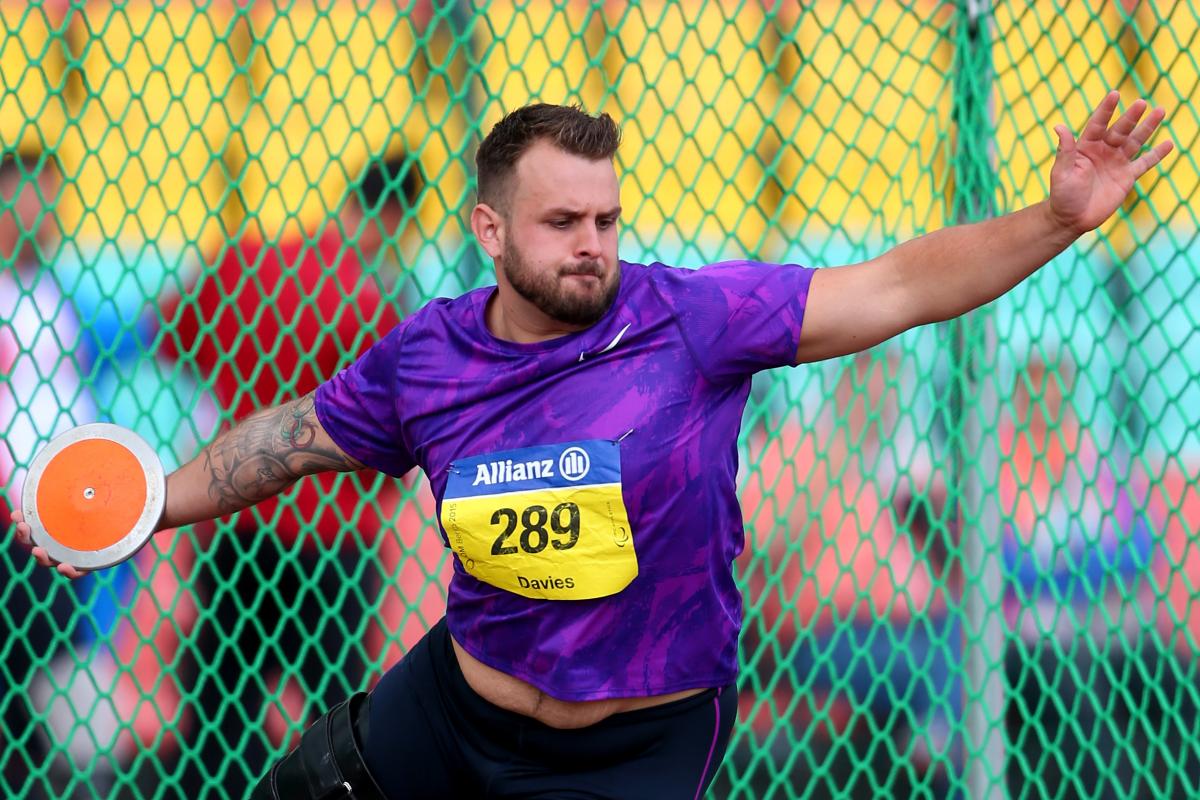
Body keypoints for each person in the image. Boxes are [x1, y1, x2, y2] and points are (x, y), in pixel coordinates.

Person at [11, 94, 1173, 799]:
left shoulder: (694, 318)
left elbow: (902, 282)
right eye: (562, 221)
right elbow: (291, 439)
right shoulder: (428, 357)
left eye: (607, 218)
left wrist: (1057, 220)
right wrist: (145, 504)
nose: (592, 244)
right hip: (460, 708)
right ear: (489, 229)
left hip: (631, 747)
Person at [154, 157, 414, 795]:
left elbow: (170, 333)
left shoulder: (244, 262)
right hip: (333, 539)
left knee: (219, 705)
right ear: (394, 217)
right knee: (336, 716)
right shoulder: (374, 302)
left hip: (239, 521)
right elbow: (390, 443)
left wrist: (239, 387)